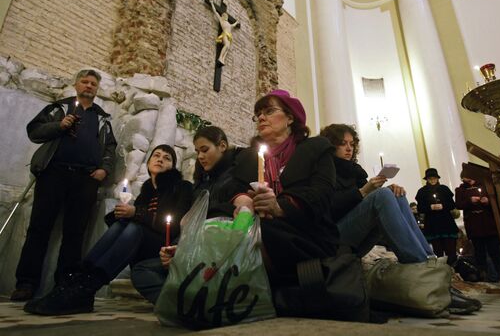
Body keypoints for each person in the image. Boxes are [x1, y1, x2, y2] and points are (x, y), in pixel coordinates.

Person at [24, 145, 193, 315]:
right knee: (122, 225)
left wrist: (136, 213)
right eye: (156, 155)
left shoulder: (182, 187)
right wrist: (122, 215)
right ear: (148, 162)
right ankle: (77, 281)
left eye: (167, 158)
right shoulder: (146, 191)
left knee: (135, 229)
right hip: (142, 244)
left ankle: (86, 287)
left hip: (165, 247)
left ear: (173, 166)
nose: (160, 159)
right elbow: (137, 220)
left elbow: (173, 225)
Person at [11, 69, 117, 301]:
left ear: (97, 89)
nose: (89, 86)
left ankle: (65, 286)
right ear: (76, 85)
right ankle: (26, 284)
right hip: (53, 174)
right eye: (84, 82)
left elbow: (110, 147)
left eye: (93, 84)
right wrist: (58, 126)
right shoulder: (58, 108)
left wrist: (104, 169)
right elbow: (34, 131)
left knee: (75, 234)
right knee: (39, 229)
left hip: (85, 180)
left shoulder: (102, 117)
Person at [231, 89, 339, 288]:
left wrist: (279, 207)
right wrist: (243, 200)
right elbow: (230, 189)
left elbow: (321, 194)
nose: (261, 117)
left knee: (259, 230)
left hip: (306, 234)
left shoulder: (315, 149)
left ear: (290, 118)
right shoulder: (247, 157)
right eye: (259, 114)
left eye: (269, 111)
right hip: (255, 227)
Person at [131, 127, 250, 304]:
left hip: (217, 249)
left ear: (222, 146)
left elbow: (242, 211)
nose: (200, 156)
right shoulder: (201, 183)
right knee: (141, 271)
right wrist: (175, 249)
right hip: (191, 247)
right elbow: (188, 223)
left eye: (205, 150)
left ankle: (185, 303)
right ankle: (185, 302)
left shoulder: (233, 177)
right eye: (197, 152)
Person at [319, 123, 432, 263]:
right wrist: (363, 191)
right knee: (382, 194)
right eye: (342, 144)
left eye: (352, 144)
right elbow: (328, 208)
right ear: (331, 146)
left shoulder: (355, 170)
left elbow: (368, 202)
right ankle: (418, 261)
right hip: (334, 236)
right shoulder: (323, 171)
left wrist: (385, 191)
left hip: (359, 234)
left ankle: (428, 257)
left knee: (396, 194)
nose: (349, 148)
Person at [455, 171, 500, 282]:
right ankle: (485, 276)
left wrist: (487, 201)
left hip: (488, 223)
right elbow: (459, 204)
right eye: (464, 177)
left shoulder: (484, 185)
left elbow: (495, 200)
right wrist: (470, 200)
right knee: (479, 252)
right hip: (474, 225)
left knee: (495, 250)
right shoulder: (461, 190)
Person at [415, 168, 459, 266]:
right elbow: (420, 208)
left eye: (434, 178)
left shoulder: (444, 189)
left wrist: (443, 206)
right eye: (430, 178)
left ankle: (454, 270)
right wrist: (430, 207)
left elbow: (452, 204)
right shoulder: (422, 192)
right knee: (438, 252)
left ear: (437, 178)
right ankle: (442, 272)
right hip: (433, 224)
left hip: (446, 223)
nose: (432, 180)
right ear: (426, 179)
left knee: (451, 250)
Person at [210, 0, 239, 65]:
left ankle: (223, 59)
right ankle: (220, 58)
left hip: (229, 36)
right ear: (222, 16)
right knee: (226, 45)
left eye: (226, 16)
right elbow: (215, 12)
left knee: (228, 47)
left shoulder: (228, 23)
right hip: (225, 34)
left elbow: (233, 25)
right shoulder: (221, 20)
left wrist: (237, 22)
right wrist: (212, 2)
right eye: (224, 15)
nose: (225, 17)